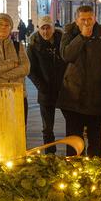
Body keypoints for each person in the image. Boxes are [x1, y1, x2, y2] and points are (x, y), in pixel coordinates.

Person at [59, 6, 101, 156]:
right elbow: (67, 55)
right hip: (73, 97)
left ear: (95, 18)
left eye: (89, 19)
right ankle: (74, 171)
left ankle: (94, 171)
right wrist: (82, 37)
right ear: (76, 20)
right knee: (74, 141)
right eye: (82, 19)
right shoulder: (69, 33)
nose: (86, 23)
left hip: (96, 97)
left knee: (95, 140)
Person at [27, 18, 66, 150]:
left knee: (73, 124)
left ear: (53, 28)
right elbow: (31, 70)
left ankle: (74, 153)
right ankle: (50, 156)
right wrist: (41, 87)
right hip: (45, 91)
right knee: (47, 128)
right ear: (38, 29)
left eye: (48, 28)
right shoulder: (33, 45)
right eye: (42, 28)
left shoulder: (63, 41)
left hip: (64, 90)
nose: (45, 31)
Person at [0, 13, 28, 90]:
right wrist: (12, 65)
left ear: (10, 28)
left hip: (17, 93)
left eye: (7, 25)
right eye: (0, 24)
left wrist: (0, 76)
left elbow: (25, 68)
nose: (3, 27)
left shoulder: (19, 46)